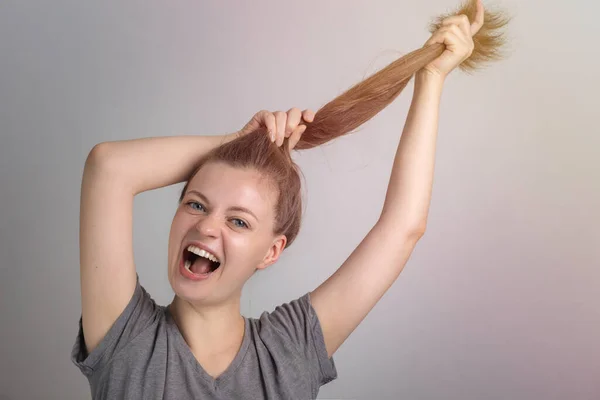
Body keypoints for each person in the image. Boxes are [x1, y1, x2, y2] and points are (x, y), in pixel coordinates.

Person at [71, 0, 508, 398]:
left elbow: (402, 229)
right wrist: (239, 141)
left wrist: (430, 78)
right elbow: (109, 168)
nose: (206, 226)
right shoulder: (127, 340)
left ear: (272, 250)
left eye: (239, 222)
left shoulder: (290, 349)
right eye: (197, 204)